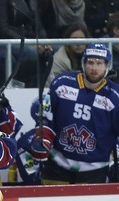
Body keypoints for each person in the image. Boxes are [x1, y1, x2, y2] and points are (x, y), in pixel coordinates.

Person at [29, 43, 119, 184]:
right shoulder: (62, 83)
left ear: (107, 66)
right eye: (90, 62)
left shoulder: (115, 96)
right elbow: (46, 117)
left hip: (95, 169)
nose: (94, 68)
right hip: (57, 164)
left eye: (99, 63)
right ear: (83, 63)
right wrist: (43, 139)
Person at [45, 22, 91, 87]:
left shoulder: (93, 57)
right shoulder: (58, 60)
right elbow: (54, 83)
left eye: (81, 39)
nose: (78, 43)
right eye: (74, 39)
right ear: (67, 41)